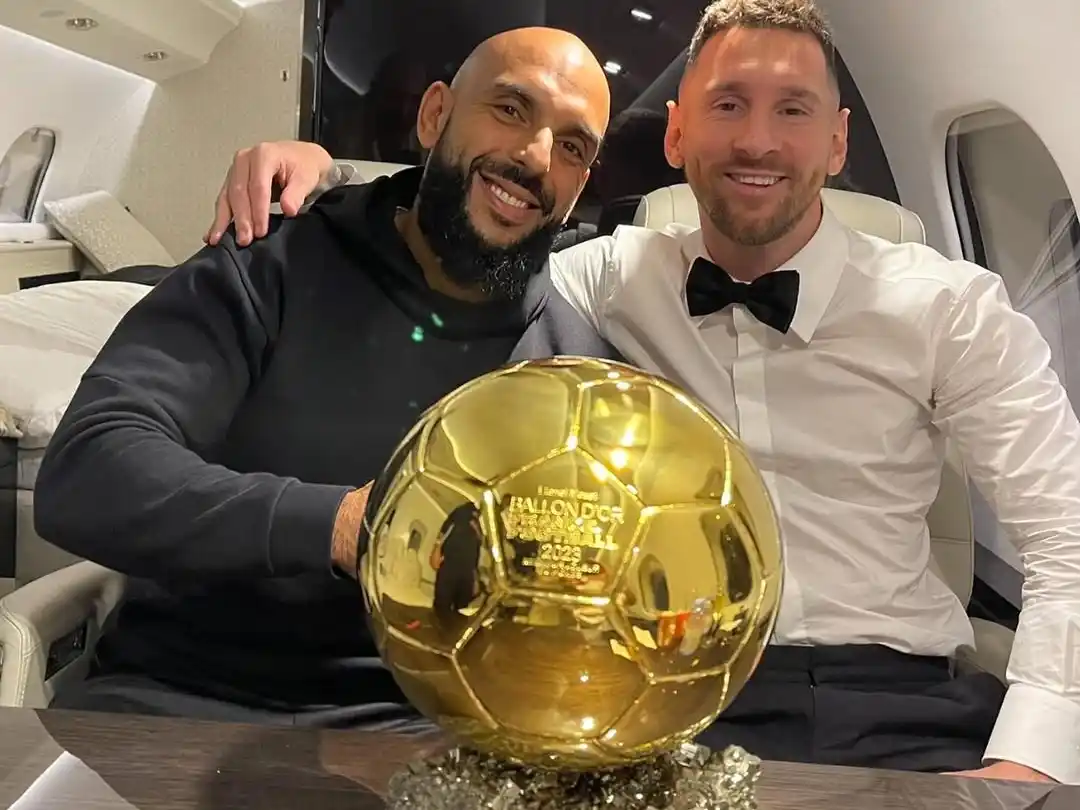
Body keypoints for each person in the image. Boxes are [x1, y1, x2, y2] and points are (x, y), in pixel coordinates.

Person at [203, 0, 1080, 785]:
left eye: (793, 111)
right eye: (728, 105)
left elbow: (1066, 536)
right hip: (664, 701)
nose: (758, 142)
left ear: (838, 140)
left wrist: (1029, 757)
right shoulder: (604, 278)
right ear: (676, 136)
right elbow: (468, 230)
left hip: (905, 706)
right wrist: (322, 179)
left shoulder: (950, 306)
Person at [33, 26, 615, 728]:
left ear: (580, 187)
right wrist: (341, 526)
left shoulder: (579, 364)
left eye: (573, 147)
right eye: (512, 109)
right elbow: (87, 472)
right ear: (435, 117)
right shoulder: (267, 265)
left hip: (440, 741)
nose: (535, 156)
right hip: (181, 703)